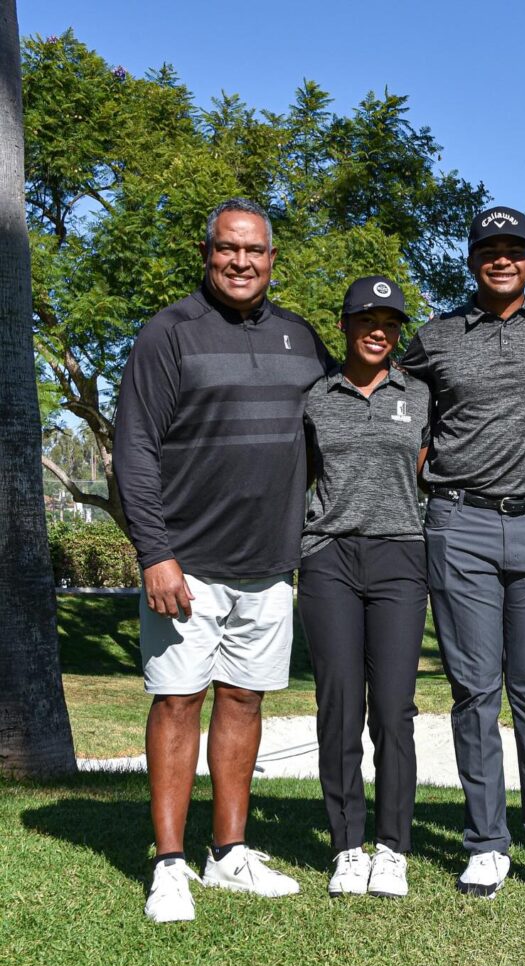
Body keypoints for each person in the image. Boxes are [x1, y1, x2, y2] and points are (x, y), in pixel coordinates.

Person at [114, 198, 332, 923]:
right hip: (187, 565)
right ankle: (170, 864)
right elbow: (136, 450)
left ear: (273, 259)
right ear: (206, 253)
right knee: (178, 702)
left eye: (255, 251)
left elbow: (351, 404)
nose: (241, 262)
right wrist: (155, 552)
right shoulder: (167, 334)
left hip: (271, 565)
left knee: (243, 700)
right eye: (227, 249)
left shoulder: (301, 339)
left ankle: (228, 852)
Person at [399, 206, 525, 900]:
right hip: (461, 525)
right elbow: (393, 402)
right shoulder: (435, 337)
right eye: (490, 249)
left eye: (515, 249)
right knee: (475, 693)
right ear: (473, 260)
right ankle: (485, 842)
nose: (502, 259)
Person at [298, 276, 430, 900]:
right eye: (366, 319)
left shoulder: (421, 394)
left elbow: (433, 467)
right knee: (340, 705)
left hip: (401, 554)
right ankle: (347, 846)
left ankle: (392, 847)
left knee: (395, 711)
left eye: (390, 321)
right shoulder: (316, 397)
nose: (379, 330)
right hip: (328, 559)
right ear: (345, 325)